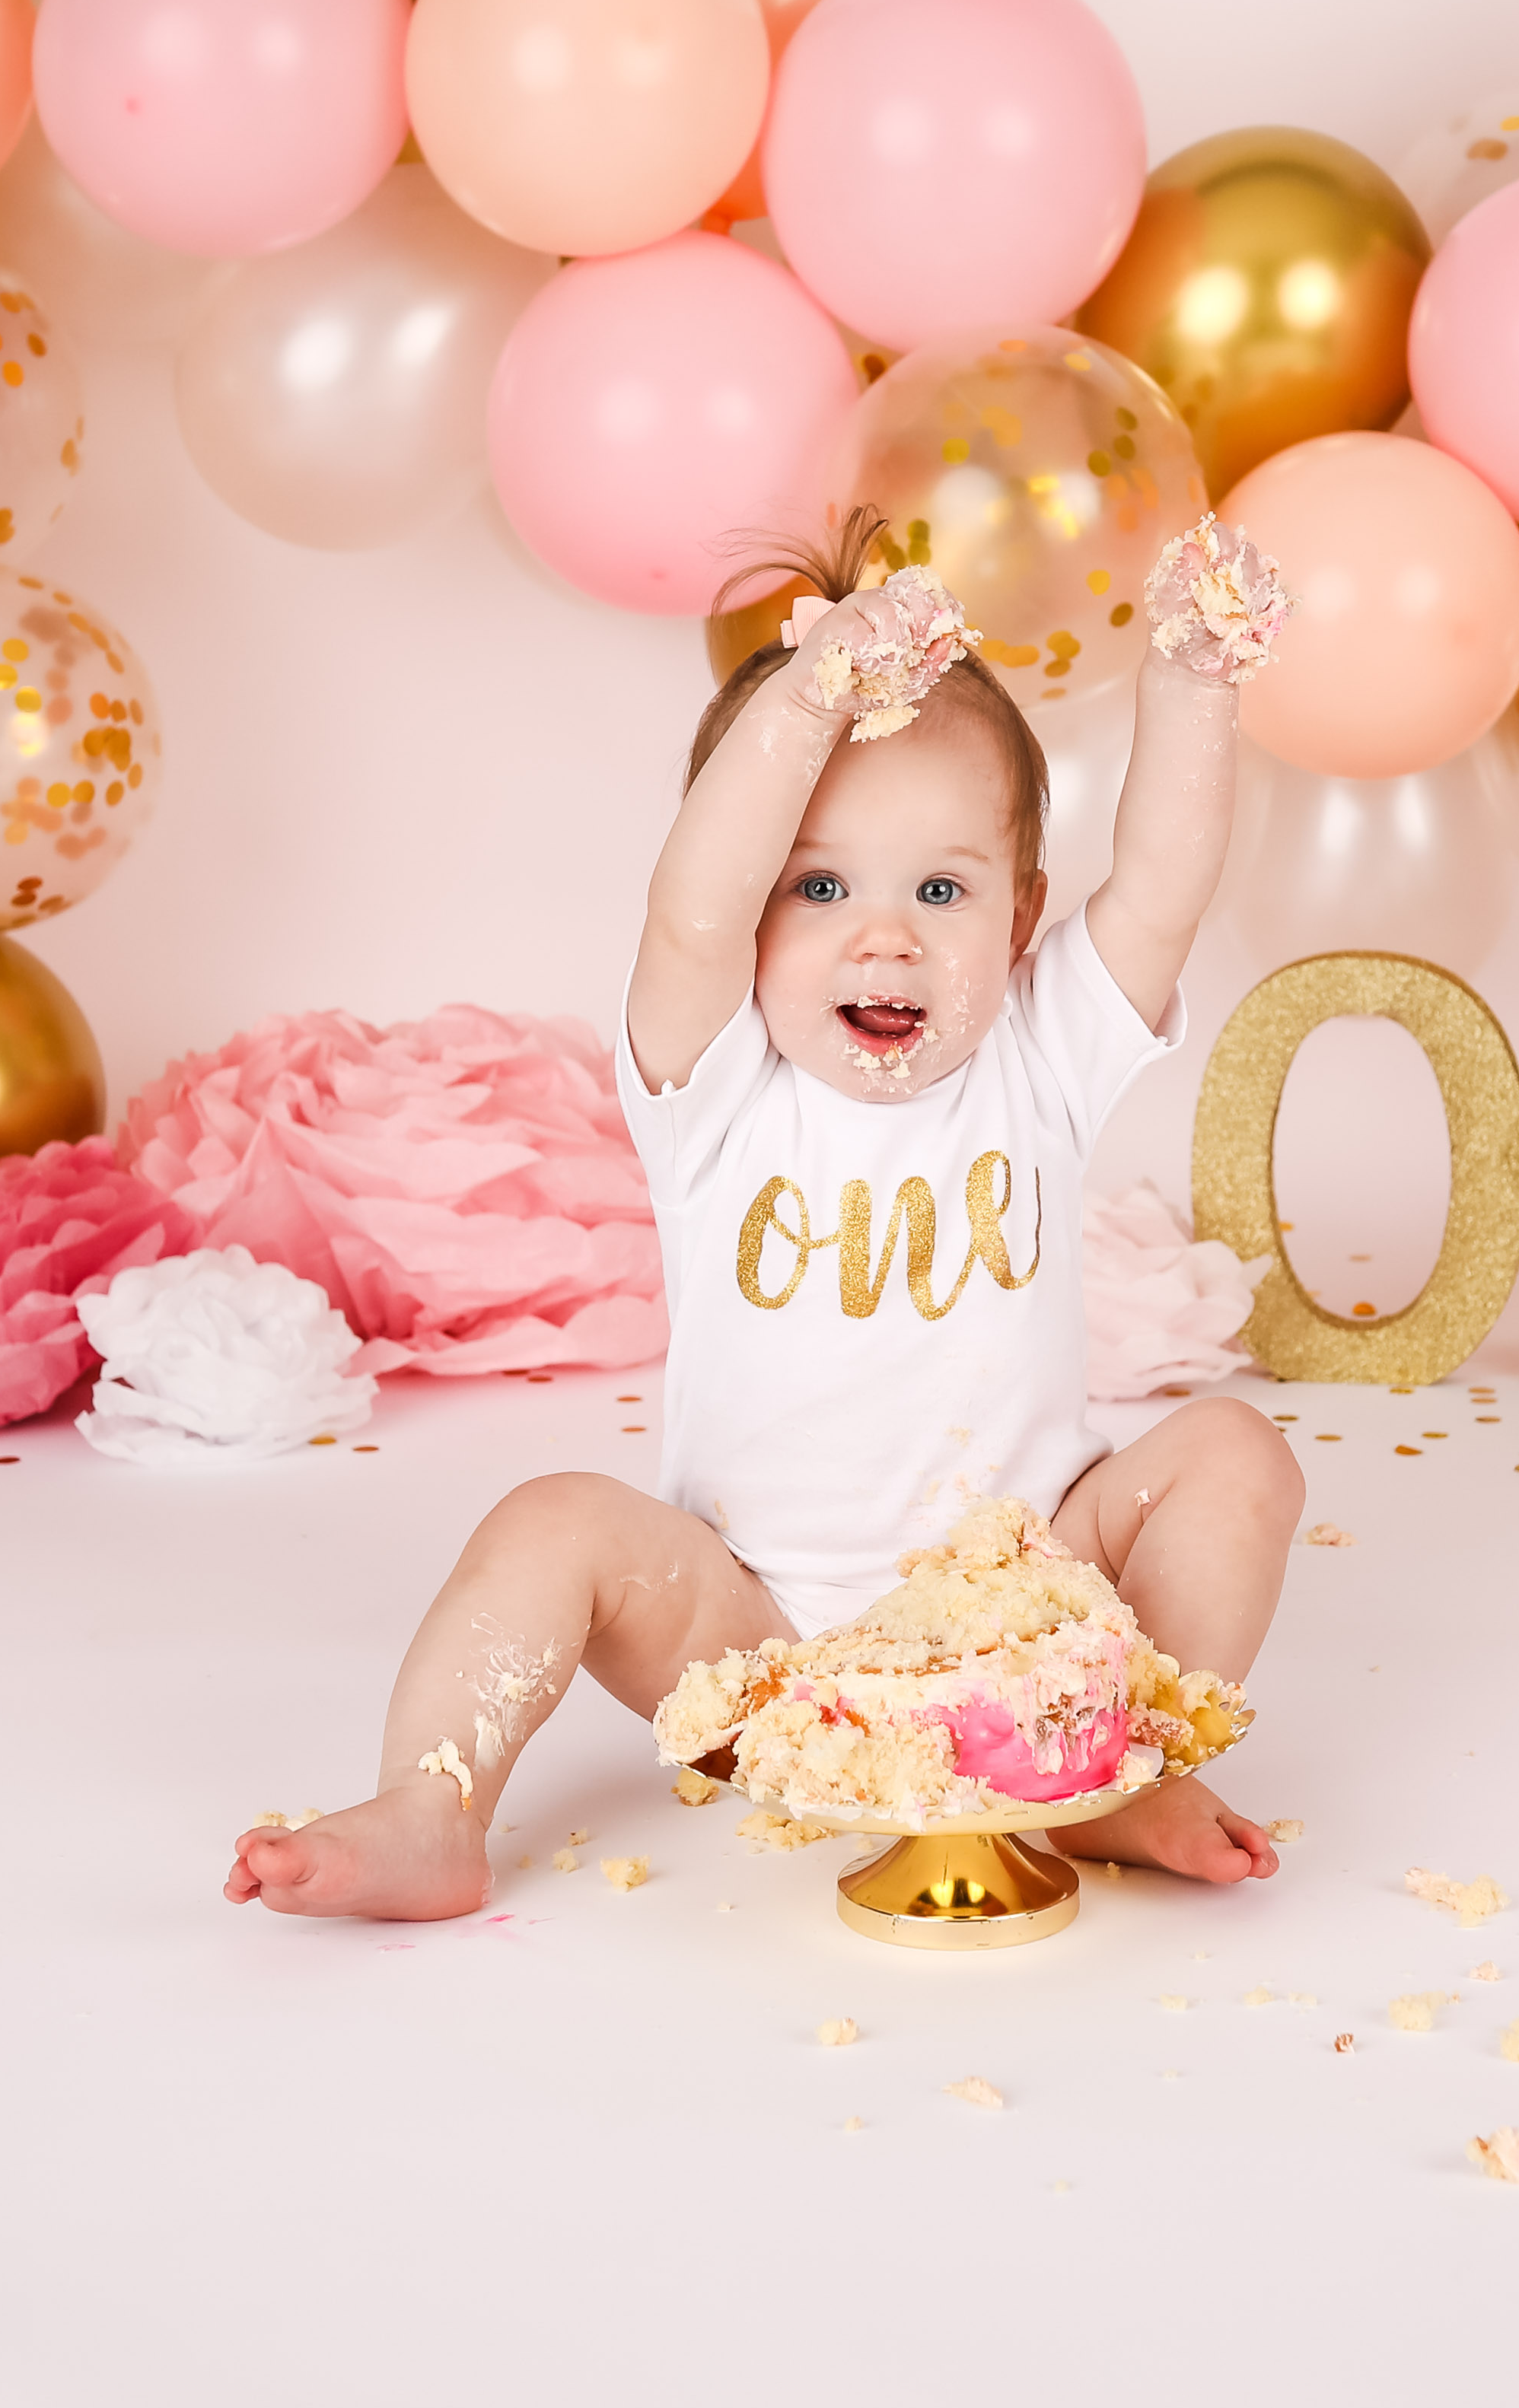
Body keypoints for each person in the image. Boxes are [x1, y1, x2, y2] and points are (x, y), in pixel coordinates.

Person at [225, 512, 1303, 1920]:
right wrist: (809, 697)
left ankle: (1119, 1757)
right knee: (551, 1519)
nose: (885, 935)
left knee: (1233, 1454)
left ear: (1019, 914)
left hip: (1033, 1625)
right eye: (818, 885)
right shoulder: (715, 1089)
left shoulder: (1039, 1059)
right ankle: (431, 1805)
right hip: (754, 1642)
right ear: (749, 913)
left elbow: (1160, 888)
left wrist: (1195, 676)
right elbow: (686, 914)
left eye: (941, 888)